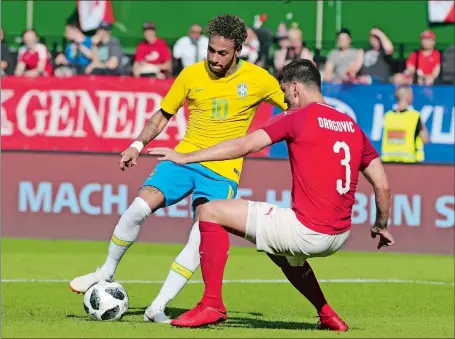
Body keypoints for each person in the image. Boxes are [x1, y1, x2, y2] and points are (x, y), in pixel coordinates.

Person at [69, 14, 287, 323]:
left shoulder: (259, 79)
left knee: (200, 236)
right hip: (182, 158)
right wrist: (136, 144)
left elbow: (295, 110)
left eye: (222, 53)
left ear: (238, 49)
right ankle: (105, 271)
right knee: (137, 208)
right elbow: (162, 115)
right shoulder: (190, 75)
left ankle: (157, 307)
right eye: (210, 50)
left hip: (222, 171)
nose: (214, 58)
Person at [149, 59, 394, 330]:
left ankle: (211, 305)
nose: (286, 101)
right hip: (339, 236)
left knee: (209, 211)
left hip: (307, 231)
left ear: (295, 87)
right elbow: (382, 185)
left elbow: (244, 144)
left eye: (285, 93)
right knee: (275, 245)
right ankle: (327, 315)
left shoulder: (298, 117)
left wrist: (186, 157)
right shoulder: (352, 127)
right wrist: (381, 226)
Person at [381, 86, 429, 163]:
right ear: (408, 96)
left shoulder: (387, 116)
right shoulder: (414, 116)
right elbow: (425, 139)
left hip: (388, 163)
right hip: (409, 164)